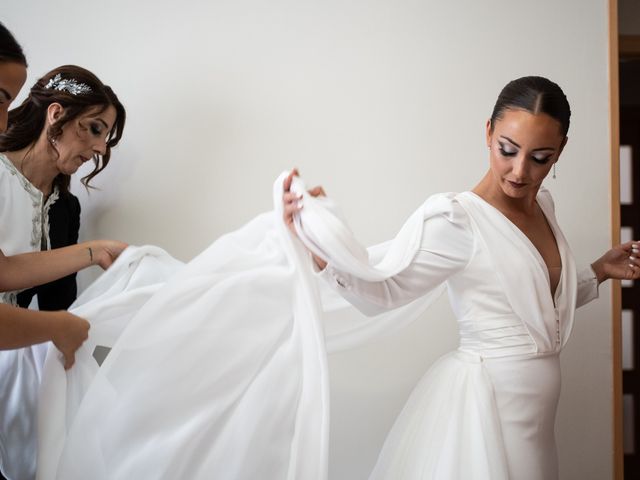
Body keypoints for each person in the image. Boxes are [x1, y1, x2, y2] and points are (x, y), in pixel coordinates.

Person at [283, 76, 640, 479]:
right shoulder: (457, 220)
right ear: (488, 133)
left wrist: (598, 272)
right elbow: (385, 292)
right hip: (488, 412)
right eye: (508, 150)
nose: (520, 171)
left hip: (538, 425)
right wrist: (320, 249)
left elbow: (536, 305)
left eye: (540, 158)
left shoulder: (544, 205)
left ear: (560, 151)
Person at [0, 22, 128, 480]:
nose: (97, 147)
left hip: (15, 362)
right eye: (93, 129)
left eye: (105, 137)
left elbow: (58, 302)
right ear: (55, 115)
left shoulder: (65, 208)